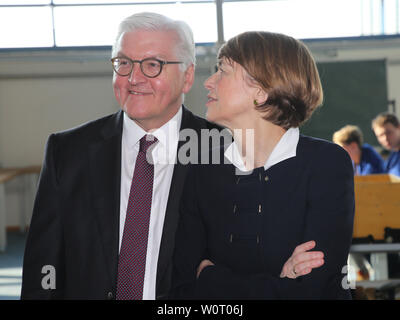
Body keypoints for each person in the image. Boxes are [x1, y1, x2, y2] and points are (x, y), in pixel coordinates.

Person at [20, 13, 320, 300]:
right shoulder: (68, 151)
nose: (134, 78)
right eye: (123, 63)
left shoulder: (225, 150)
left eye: (152, 65)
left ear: (187, 76)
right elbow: (42, 268)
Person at [172, 31, 355, 299]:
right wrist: (281, 283)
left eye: (222, 71)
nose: (209, 82)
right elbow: (184, 287)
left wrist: (211, 279)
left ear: (260, 89)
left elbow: (312, 291)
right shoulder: (202, 169)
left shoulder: (326, 164)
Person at [372, 112, 400, 177]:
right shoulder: (393, 156)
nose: (385, 138)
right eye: (380, 135)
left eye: (389, 132)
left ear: (399, 128)